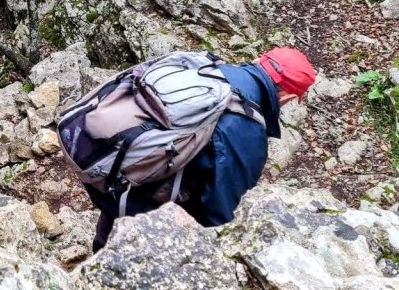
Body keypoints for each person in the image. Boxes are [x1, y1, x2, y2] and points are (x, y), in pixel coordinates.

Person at [85, 47, 316, 252]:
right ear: (288, 97)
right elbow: (220, 208)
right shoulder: (245, 130)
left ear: (258, 60)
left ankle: (97, 259)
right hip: (150, 215)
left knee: (104, 252)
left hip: (118, 172)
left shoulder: (205, 68)